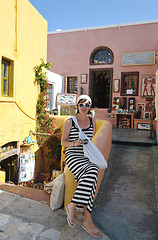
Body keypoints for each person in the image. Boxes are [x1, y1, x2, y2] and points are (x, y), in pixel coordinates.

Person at [61, 95, 103, 238]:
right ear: (77, 106)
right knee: (93, 171)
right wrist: (74, 143)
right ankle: (87, 220)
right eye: (81, 104)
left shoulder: (93, 121)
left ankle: (73, 205)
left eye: (87, 104)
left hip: (85, 156)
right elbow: (63, 142)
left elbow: (90, 140)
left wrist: (84, 143)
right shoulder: (70, 121)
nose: (84, 107)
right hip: (73, 155)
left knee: (92, 173)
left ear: (90, 106)